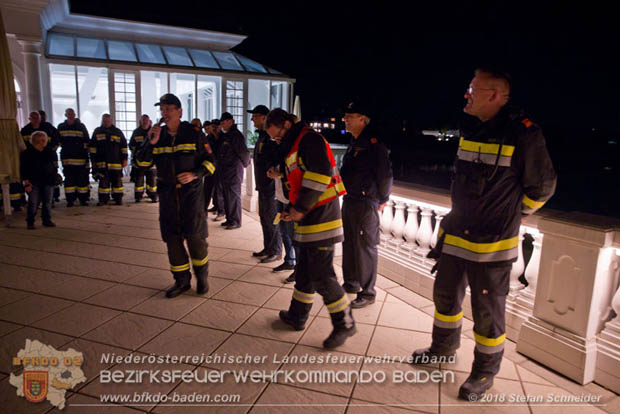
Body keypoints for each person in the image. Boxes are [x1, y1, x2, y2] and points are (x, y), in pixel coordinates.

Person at [411, 68, 557, 400]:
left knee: (488, 313)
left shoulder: (524, 134)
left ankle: (483, 373)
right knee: (445, 298)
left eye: (472, 89)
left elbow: (543, 188)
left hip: (492, 246)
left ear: (493, 95)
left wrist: (511, 213)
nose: (466, 94)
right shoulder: (471, 128)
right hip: (456, 235)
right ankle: (443, 348)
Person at [265, 108, 354, 349]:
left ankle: (344, 322)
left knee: (322, 275)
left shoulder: (310, 139)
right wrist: (281, 176)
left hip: (322, 217)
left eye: (278, 136)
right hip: (310, 216)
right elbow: (300, 177)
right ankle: (297, 315)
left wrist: (300, 209)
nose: (277, 141)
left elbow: (319, 177)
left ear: (286, 124)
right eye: (274, 139)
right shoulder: (297, 143)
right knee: (305, 270)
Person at [135, 93, 216, 298]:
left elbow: (211, 162)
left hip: (192, 197)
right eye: (162, 110)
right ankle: (181, 281)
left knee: (195, 238)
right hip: (168, 197)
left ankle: (202, 276)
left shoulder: (194, 133)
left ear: (179, 111)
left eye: (169, 109)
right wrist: (149, 143)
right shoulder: (158, 135)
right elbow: (142, 165)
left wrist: (195, 174)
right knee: (172, 240)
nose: (165, 113)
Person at [340, 102, 393, 308]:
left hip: (365, 202)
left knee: (365, 247)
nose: (346, 119)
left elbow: (385, 174)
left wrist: (383, 199)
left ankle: (368, 292)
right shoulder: (354, 142)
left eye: (350, 116)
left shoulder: (373, 143)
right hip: (350, 199)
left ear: (363, 119)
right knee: (350, 243)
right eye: (345, 116)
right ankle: (352, 282)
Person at [249, 105, 282, 263]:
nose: (252, 119)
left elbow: (277, 159)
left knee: (271, 219)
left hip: (271, 187)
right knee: (264, 218)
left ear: (264, 118)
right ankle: (268, 248)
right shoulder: (262, 136)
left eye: (255, 116)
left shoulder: (271, 138)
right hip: (263, 185)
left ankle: (275, 250)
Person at [217, 112, 250, 229]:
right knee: (227, 196)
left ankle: (236, 221)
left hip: (234, 172)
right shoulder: (227, 135)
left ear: (230, 121)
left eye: (223, 122)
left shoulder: (236, 135)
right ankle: (229, 219)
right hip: (226, 172)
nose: (222, 125)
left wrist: (246, 164)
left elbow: (243, 153)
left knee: (233, 197)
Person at [21, 131, 58, 229]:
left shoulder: (49, 152)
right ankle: (30, 221)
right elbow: (23, 169)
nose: (46, 142)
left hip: (48, 180)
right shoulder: (27, 154)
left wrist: (55, 177)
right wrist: (26, 182)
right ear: (38, 141)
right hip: (34, 182)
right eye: (44, 140)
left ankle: (46, 220)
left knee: (47, 202)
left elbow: (54, 166)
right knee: (33, 202)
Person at [90, 114, 128, 206]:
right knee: (103, 183)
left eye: (108, 121)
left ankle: (118, 199)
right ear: (102, 121)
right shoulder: (97, 132)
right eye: (104, 121)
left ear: (111, 121)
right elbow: (92, 148)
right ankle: (103, 199)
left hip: (116, 163)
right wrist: (93, 161)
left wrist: (125, 159)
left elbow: (124, 147)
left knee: (117, 183)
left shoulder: (118, 132)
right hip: (102, 163)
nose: (106, 123)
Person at [57, 108, 91, 206]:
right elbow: (58, 142)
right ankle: (70, 200)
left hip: (80, 159)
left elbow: (87, 141)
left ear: (74, 115)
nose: (71, 115)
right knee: (69, 181)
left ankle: (83, 199)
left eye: (72, 113)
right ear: (66, 115)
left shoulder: (81, 127)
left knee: (82, 180)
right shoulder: (61, 127)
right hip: (67, 160)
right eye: (69, 113)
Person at [129, 114, 158, 203]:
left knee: (152, 181)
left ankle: (153, 196)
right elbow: (131, 145)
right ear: (140, 121)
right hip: (139, 161)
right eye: (143, 120)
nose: (145, 122)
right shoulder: (136, 132)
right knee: (139, 181)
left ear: (149, 122)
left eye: (146, 120)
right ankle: (138, 196)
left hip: (151, 161)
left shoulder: (154, 132)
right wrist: (136, 153)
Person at [38, 110, 62, 203]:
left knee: (53, 175)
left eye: (43, 116)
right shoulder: (29, 129)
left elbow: (57, 141)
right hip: (38, 158)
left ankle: (55, 196)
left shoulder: (50, 128)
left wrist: (51, 150)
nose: (42, 118)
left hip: (51, 157)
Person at [204, 119, 225, 220]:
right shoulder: (208, 138)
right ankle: (203, 211)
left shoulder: (224, 138)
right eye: (213, 126)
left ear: (220, 127)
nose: (214, 128)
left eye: (216, 126)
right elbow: (206, 151)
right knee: (207, 189)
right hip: (210, 167)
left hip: (221, 168)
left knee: (219, 191)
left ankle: (221, 211)